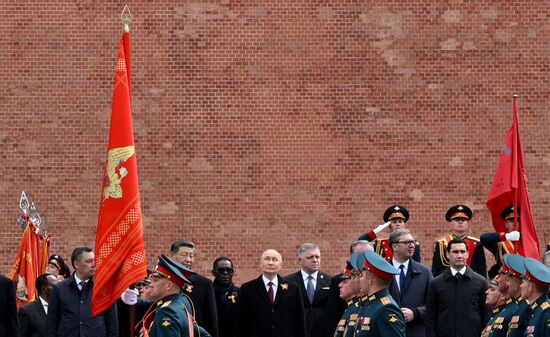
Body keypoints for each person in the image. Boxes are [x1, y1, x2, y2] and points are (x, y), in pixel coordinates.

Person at [47, 246, 118, 337]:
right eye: (89, 261)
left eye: (94, 261)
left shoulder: (104, 289)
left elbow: (112, 325)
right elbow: (51, 324)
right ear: (76, 264)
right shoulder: (59, 289)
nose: (93, 265)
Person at [426, 238, 489, 337]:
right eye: (455, 252)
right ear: (447, 254)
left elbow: (486, 315)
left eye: (462, 252)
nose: (459, 255)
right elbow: (430, 317)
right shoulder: (436, 284)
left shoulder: (481, 282)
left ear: (467, 254)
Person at [237, 249, 306, 337]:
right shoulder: (247, 289)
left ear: (280, 265)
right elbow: (241, 321)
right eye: (267, 259)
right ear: (260, 263)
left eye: (274, 259)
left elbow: (299, 320)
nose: (270, 263)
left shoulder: (293, 289)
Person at [141, 255, 211, 337]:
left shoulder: (167, 311)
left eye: (155, 281)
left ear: (168, 285)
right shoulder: (182, 300)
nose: (151, 284)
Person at [388, 229, 433, 337]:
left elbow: (435, 303)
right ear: (395, 246)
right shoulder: (382, 271)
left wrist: (415, 313)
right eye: (406, 242)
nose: (412, 245)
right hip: (388, 331)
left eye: (413, 242)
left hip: (416, 331)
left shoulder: (424, 272)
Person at [170, 240, 218, 337]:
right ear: (172, 256)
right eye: (184, 255)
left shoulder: (204, 284)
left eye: (191, 256)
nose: (188, 259)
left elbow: (211, 318)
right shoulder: (162, 281)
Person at [325, 241, 373, 337]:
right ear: (352, 257)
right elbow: (332, 315)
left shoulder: (379, 279)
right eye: (360, 255)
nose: (364, 258)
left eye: (369, 254)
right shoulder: (338, 280)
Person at [353, 250, 406, 337]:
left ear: (370, 280)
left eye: (362, 276)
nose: (359, 280)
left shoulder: (386, 308)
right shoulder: (371, 304)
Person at [285, 243, 332, 337]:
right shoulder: (287, 282)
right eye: (310, 257)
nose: (315, 260)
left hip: (322, 332)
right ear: (299, 260)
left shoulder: (330, 281)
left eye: (317, 257)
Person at [431, 205, 487, 277]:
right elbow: (436, 271)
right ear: (451, 223)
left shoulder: (477, 244)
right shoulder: (441, 244)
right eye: (457, 220)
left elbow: (481, 271)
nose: (460, 222)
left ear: (467, 223)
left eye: (463, 220)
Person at [480, 205, 520, 278]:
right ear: (506, 224)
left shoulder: (528, 241)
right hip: (505, 279)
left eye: (517, 220)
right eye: (511, 221)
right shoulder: (501, 242)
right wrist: (506, 236)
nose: (514, 223)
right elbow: (483, 238)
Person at [502, 254, 532, 337]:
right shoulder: (519, 306)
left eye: (508, 281)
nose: (506, 285)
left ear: (516, 285)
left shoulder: (526, 307)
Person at [519, 257, 550, 337]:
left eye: (522, 282)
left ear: (531, 287)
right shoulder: (536, 310)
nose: (521, 286)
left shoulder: (546, 313)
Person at [211, 257, 240, 337]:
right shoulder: (208, 293)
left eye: (229, 270)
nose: (225, 273)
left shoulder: (240, 293)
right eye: (221, 270)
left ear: (232, 272)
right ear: (213, 272)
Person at [332, 261, 359, 337]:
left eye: (345, 282)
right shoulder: (350, 308)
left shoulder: (358, 310)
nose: (339, 285)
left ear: (356, 283)